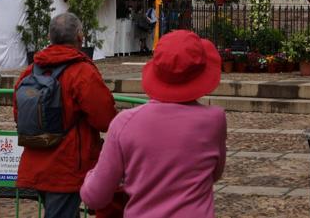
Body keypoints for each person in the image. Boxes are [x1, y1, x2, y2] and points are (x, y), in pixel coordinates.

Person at [80, 30, 226, 218]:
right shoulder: (215, 120)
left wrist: (91, 174)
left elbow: (94, 196)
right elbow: (214, 174)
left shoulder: (125, 123)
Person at [14, 13, 117, 218]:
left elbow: (19, 114)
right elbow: (105, 119)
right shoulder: (82, 72)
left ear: (50, 37)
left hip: (36, 160)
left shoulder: (30, 71)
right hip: (67, 164)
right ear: (80, 36)